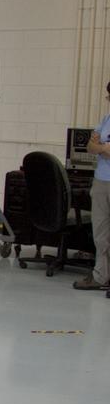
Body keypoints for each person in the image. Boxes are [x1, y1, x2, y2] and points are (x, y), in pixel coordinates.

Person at [73, 80, 110, 291]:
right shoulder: (106, 119)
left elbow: (97, 147)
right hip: (102, 180)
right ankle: (100, 276)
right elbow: (90, 146)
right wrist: (102, 147)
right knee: (101, 233)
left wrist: (100, 146)